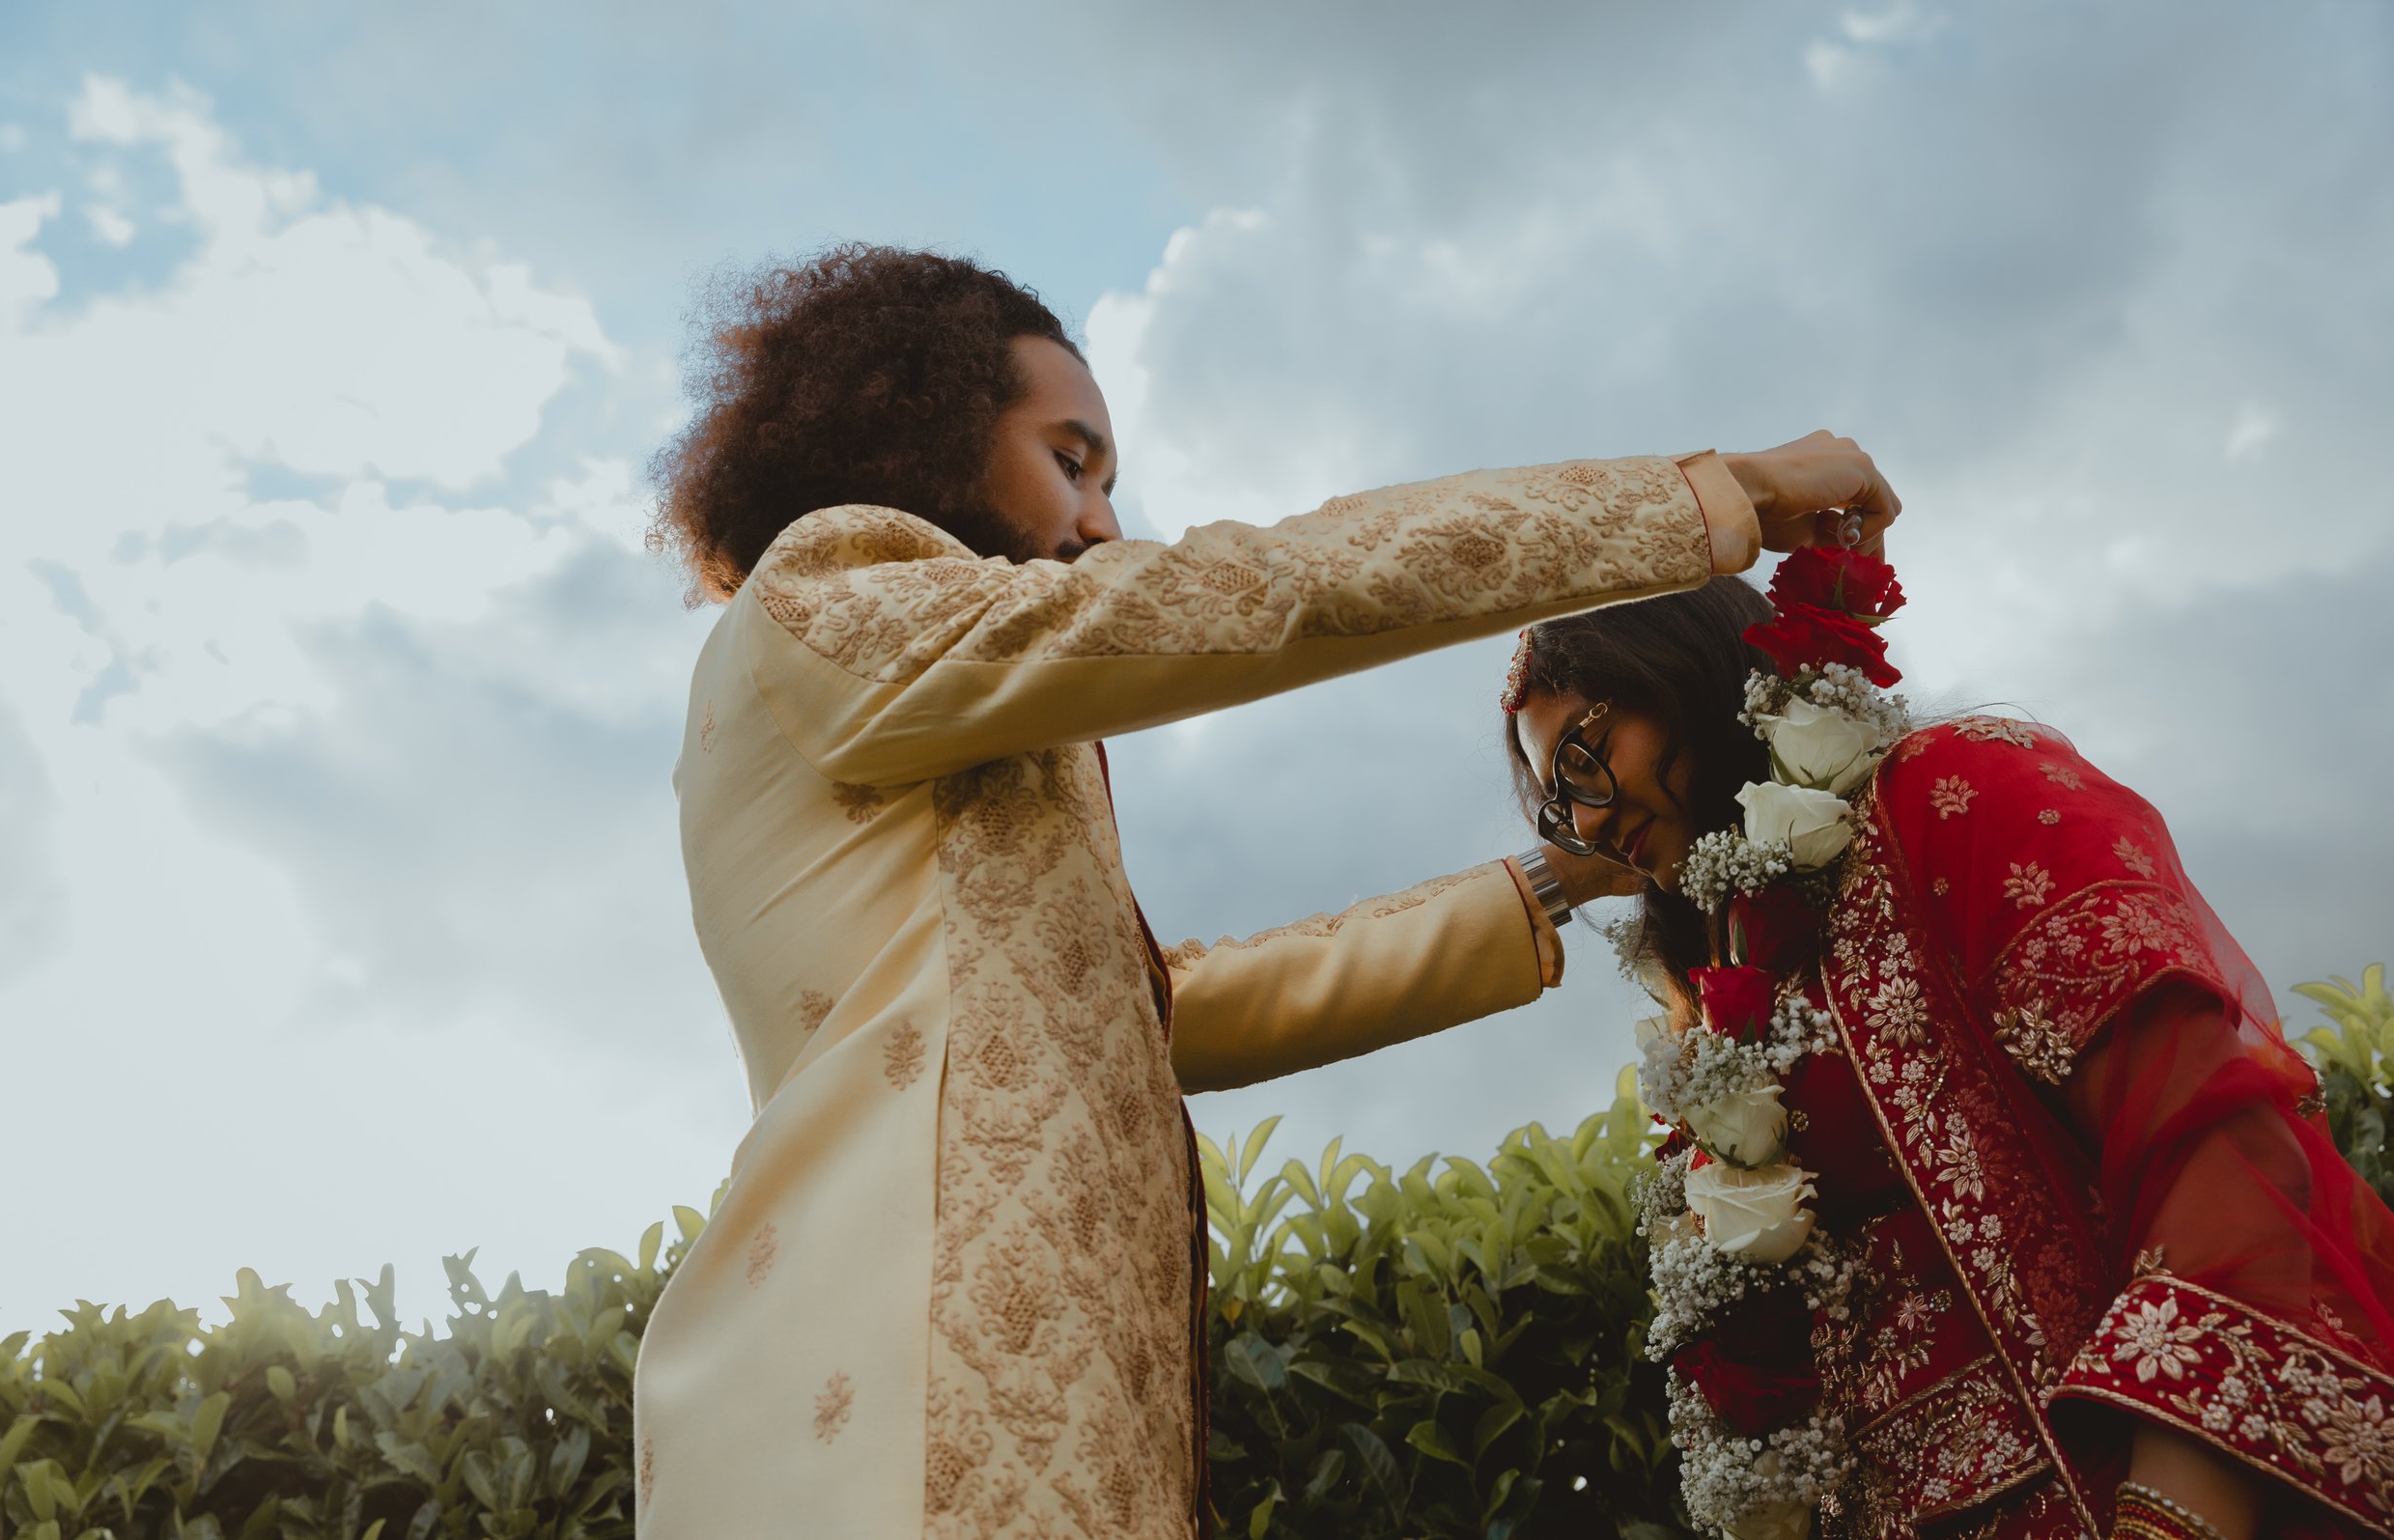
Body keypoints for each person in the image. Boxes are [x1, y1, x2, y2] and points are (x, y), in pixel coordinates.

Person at [629, 242, 1899, 1539]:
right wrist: (1710, 494)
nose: (1105, 522)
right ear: (924, 434)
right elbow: (1255, 591)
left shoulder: (953, 746)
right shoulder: (823, 594)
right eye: (1070, 458)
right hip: (880, 1412)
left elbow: (1153, 1009)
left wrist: (1556, 869)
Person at [1506, 569, 2394, 1540]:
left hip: (2116, 1494)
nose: (1585, 820)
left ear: (1681, 669)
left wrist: (2173, 1513)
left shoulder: (1949, 793)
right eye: (1557, 807)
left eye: (1586, 756)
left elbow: (2210, 1147)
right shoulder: (1730, 986)